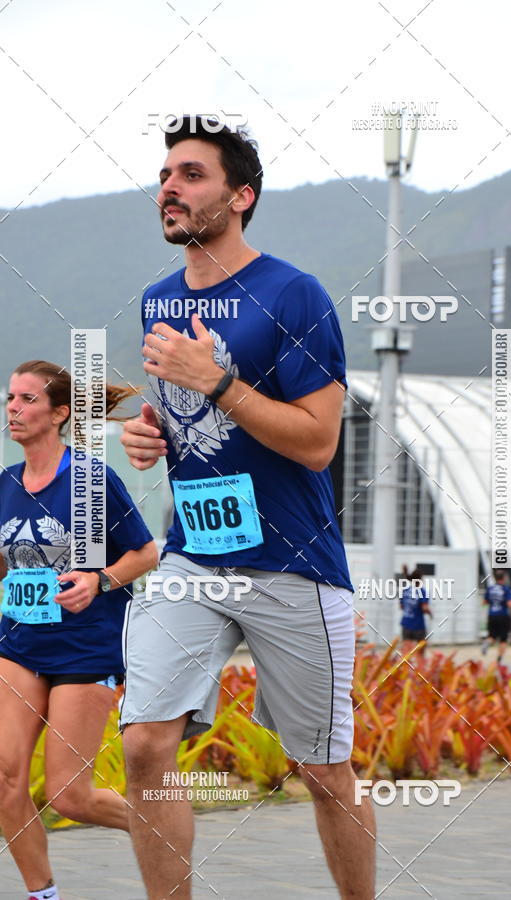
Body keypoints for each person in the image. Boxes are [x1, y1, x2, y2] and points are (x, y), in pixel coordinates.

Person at [119, 116, 375, 899]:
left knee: (325, 773)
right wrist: (151, 428)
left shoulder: (293, 294)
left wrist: (217, 383)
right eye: (166, 174)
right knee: (145, 747)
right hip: (193, 556)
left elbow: (316, 443)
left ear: (240, 196)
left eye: (192, 175)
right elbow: (190, 417)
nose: (170, 186)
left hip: (293, 563)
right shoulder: (158, 300)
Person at [0, 360, 157, 900]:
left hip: (85, 648)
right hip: (18, 644)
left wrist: (100, 580)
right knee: (4, 780)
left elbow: (145, 553)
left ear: (59, 413)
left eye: (26, 400)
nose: (13, 409)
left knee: (70, 796)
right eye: (10, 399)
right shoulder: (4, 485)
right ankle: (42, 895)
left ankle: (163, 828)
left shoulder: (90, 481)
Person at [481, 570, 511, 662]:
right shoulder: (506, 589)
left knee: (492, 636)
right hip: (503, 616)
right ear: (504, 578)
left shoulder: (490, 589)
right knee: (503, 639)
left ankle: (487, 642)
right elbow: (510, 604)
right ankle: (499, 659)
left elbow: (484, 603)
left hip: (492, 615)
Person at [399, 568, 432, 659]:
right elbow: (424, 608)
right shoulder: (422, 591)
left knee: (406, 651)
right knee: (420, 651)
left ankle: (405, 670)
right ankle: (419, 669)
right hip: (418, 625)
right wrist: (430, 613)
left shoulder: (405, 590)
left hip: (406, 623)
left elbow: (401, 606)